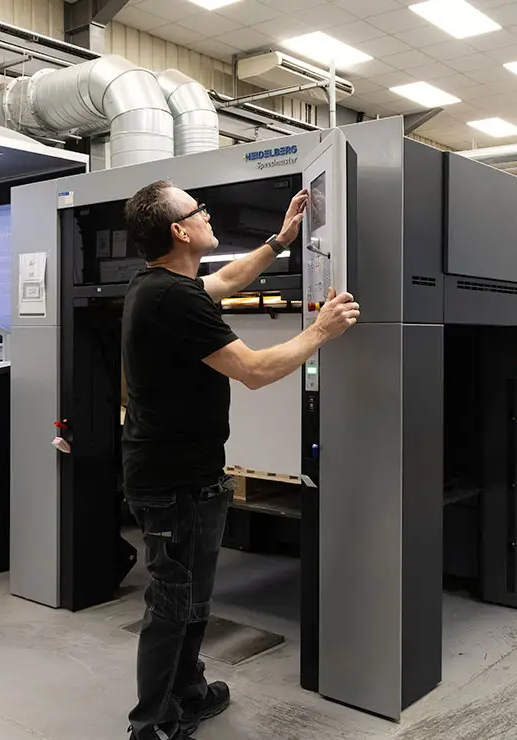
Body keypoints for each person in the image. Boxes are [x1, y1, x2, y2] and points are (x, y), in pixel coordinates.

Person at [120, 180, 359, 740]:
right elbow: (253, 370)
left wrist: (280, 240)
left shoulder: (159, 285)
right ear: (180, 231)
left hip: (183, 475)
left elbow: (226, 279)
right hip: (175, 482)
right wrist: (321, 330)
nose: (207, 215)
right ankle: (151, 725)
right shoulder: (174, 298)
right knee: (173, 602)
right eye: (197, 210)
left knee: (190, 597)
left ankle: (187, 694)